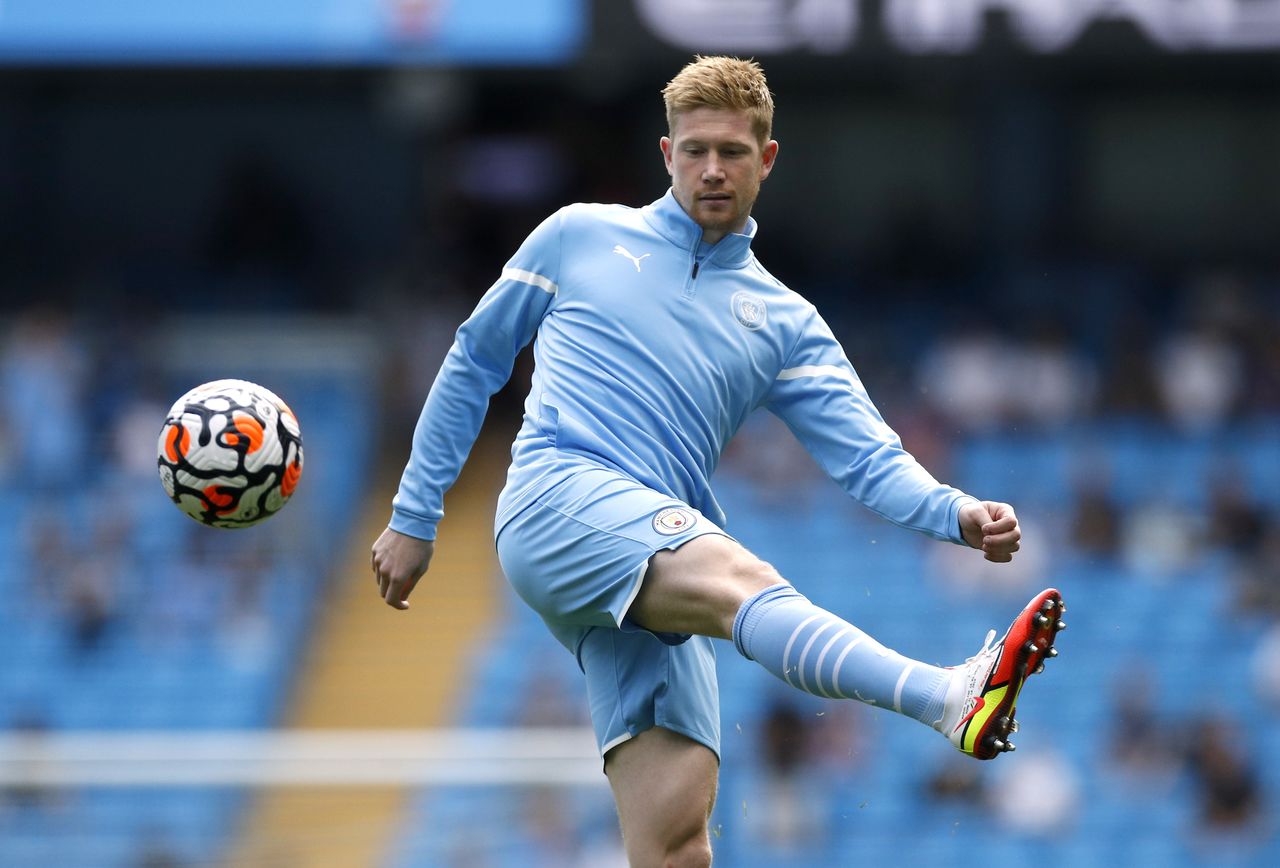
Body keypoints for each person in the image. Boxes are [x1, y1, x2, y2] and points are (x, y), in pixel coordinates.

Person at [372, 56, 1067, 867]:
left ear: (765, 160)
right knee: (743, 580)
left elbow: (869, 457)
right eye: (694, 150)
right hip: (557, 499)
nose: (711, 169)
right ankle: (949, 697)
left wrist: (955, 512)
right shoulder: (578, 236)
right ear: (665, 154)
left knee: (676, 848)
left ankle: (950, 701)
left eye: (732, 153)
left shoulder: (784, 321)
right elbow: (473, 360)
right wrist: (414, 517)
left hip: (653, 553)